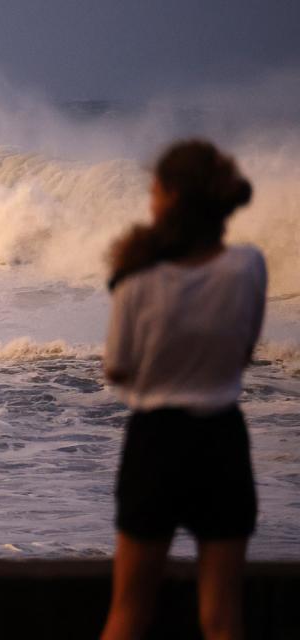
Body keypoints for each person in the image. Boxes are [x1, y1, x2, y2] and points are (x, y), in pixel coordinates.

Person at [100, 139, 263, 640]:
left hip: (156, 444)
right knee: (222, 618)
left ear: (170, 197)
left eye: (153, 190)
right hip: (222, 441)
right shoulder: (248, 267)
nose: (149, 200)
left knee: (129, 613)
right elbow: (243, 351)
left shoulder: (136, 281)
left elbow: (118, 369)